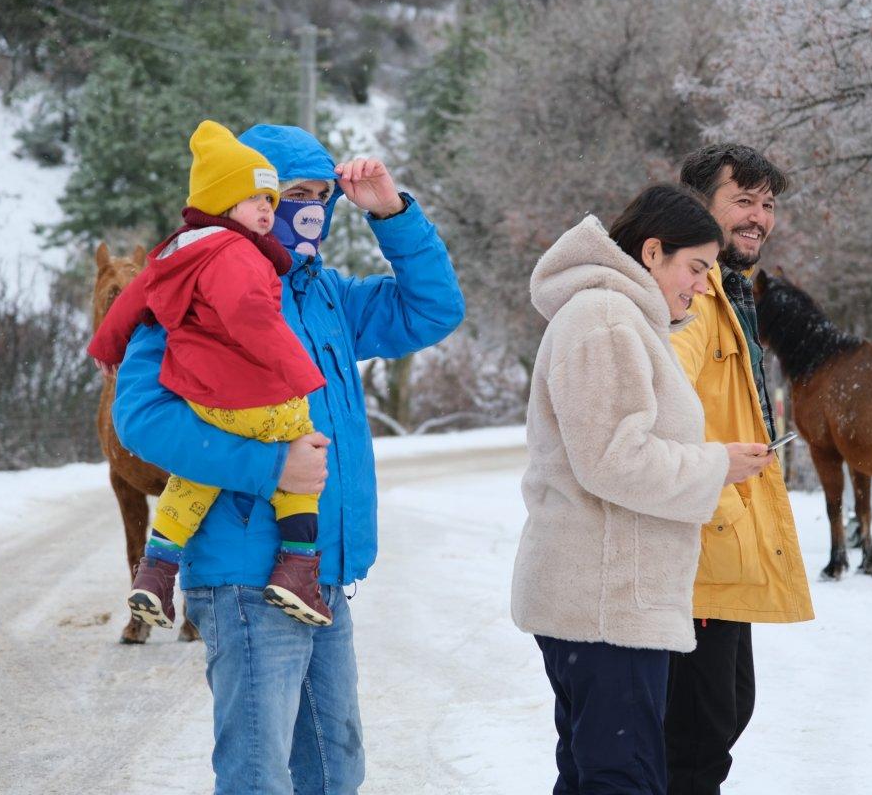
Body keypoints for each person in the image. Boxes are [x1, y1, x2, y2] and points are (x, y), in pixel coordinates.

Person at [110, 122, 464, 793]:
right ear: (249, 196)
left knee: (335, 767)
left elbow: (434, 310)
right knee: (258, 775)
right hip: (245, 578)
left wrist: (391, 212)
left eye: (321, 195)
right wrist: (269, 468)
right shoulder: (194, 286)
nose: (306, 208)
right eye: (289, 192)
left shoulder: (324, 295)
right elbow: (141, 418)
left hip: (322, 574)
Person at [511, 183, 775, 795]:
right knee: (621, 780)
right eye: (696, 267)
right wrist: (715, 465)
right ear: (653, 252)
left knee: (596, 774)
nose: (703, 286)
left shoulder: (619, 317)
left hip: (606, 601)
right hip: (606, 604)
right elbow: (612, 460)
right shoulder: (605, 319)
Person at [90, 119, 334, 628]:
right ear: (225, 204)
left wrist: (107, 344)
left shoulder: (177, 249)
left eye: (272, 200)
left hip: (206, 401)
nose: (268, 210)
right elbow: (251, 315)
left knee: (195, 479)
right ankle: (297, 566)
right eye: (258, 200)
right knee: (301, 460)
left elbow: (132, 300)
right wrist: (301, 372)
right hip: (258, 397)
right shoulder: (235, 252)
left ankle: (156, 569)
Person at [664, 144, 815, 794]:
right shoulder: (694, 297)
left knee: (723, 716)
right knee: (693, 741)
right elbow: (652, 398)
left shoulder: (734, 293)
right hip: (694, 544)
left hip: (728, 541)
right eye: (743, 201)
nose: (759, 218)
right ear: (701, 206)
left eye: (768, 205)